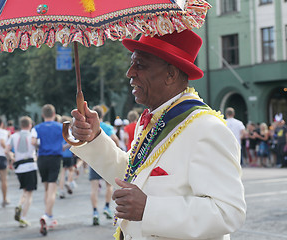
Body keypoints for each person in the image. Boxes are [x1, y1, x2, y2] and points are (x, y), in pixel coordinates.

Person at [70, 30, 246, 240]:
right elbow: (133, 177)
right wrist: (94, 137)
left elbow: (229, 212)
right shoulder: (154, 121)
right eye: (132, 63)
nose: (130, 72)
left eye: (140, 65)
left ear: (171, 74)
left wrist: (149, 209)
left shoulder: (207, 128)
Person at [31, 104, 63, 236]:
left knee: (46, 188)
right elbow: (69, 141)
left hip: (42, 159)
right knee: (52, 189)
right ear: (54, 114)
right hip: (55, 158)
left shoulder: (37, 128)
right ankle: (46, 215)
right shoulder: (61, 127)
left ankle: (49, 215)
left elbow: (33, 142)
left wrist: (41, 145)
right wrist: (61, 148)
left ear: (43, 115)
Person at [5, 116, 37, 228]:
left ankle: (19, 205)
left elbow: (6, 150)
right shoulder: (32, 135)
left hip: (19, 167)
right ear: (29, 125)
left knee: (25, 190)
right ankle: (23, 217)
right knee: (30, 193)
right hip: (30, 165)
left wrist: (12, 157)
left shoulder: (14, 136)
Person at [88, 106, 116, 226]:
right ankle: (106, 207)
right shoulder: (107, 127)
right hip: (106, 159)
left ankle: (95, 212)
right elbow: (115, 139)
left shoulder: (90, 127)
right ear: (102, 115)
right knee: (109, 186)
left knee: (94, 188)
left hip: (94, 159)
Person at [58, 115, 75, 199]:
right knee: (71, 169)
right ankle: (68, 181)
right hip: (68, 154)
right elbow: (72, 141)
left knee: (62, 173)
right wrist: (66, 146)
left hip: (60, 154)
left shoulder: (58, 130)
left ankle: (61, 191)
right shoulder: (68, 131)